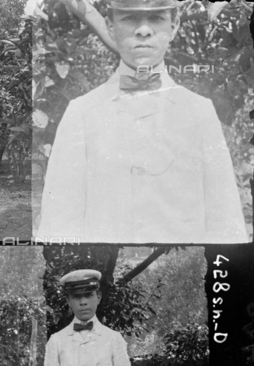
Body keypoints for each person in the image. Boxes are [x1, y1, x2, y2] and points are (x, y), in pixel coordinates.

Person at [35, 0, 248, 244]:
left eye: (156, 18)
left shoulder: (200, 113)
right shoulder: (81, 114)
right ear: (110, 25)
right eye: (130, 17)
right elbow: (58, 226)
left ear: (174, 25)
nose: (144, 30)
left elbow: (226, 225)